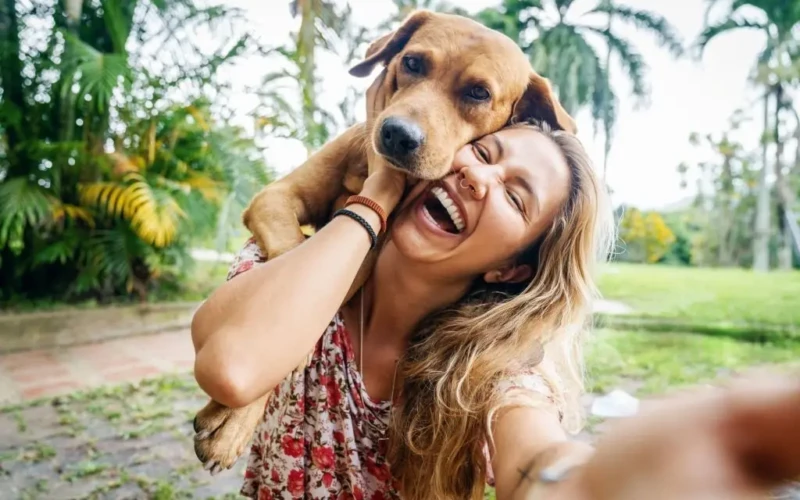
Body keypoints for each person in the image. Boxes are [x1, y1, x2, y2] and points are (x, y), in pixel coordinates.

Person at [191, 119, 800, 499]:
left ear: (508, 268)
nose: (480, 178)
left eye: (514, 194)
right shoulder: (304, 256)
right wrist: (378, 194)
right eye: (482, 153)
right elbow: (234, 366)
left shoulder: (491, 373)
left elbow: (533, 456)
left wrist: (578, 482)